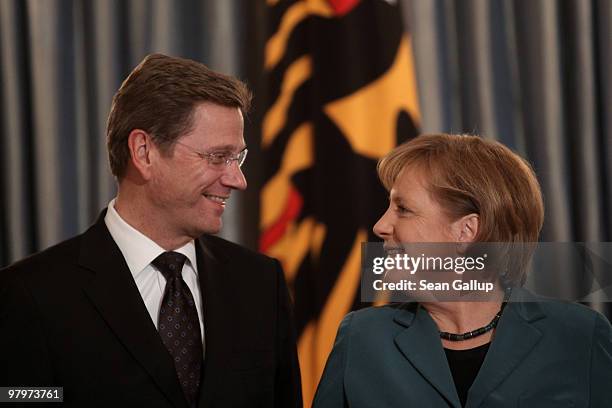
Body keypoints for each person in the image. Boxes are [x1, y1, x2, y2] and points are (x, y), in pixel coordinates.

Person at [0, 54, 302, 408]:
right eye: (218, 157)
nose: (238, 179)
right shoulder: (29, 294)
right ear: (144, 151)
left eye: (239, 158)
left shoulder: (260, 283)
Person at [313, 134, 612, 407]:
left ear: (466, 231)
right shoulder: (361, 338)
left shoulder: (579, 337)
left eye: (403, 209)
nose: (380, 226)